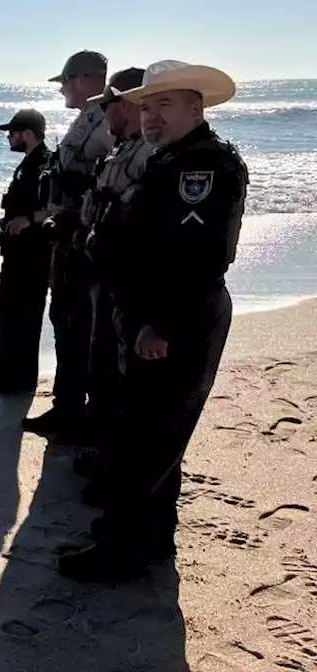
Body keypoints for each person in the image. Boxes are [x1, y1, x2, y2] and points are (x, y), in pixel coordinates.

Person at [59, 60, 248, 582]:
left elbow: (199, 260)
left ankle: (125, 549)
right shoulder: (172, 160)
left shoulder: (202, 167)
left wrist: (159, 325)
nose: (151, 116)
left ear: (196, 107)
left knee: (147, 437)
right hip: (147, 314)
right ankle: (147, 536)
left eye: (165, 104)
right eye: (146, 105)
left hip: (173, 320)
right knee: (146, 431)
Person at [23, 49, 114, 441]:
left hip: (82, 237)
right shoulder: (86, 120)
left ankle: (78, 414)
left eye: (65, 81)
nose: (63, 90)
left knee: (78, 329)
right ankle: (68, 407)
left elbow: (107, 182)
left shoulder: (106, 121)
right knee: (65, 325)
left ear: (83, 78)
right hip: (67, 235)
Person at [74, 67, 155, 495]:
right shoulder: (121, 149)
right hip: (106, 277)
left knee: (125, 379)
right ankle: (105, 453)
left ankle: (119, 470)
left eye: (107, 105)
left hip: (128, 281)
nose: (104, 114)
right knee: (102, 366)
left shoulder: (147, 154)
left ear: (126, 104)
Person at [0, 109, 54, 393]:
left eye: (13, 132)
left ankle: (19, 378)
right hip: (17, 253)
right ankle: (4, 368)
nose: (9, 137)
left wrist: (28, 219)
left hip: (33, 255)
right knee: (8, 311)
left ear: (28, 134)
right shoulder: (28, 163)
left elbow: (56, 206)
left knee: (25, 315)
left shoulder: (45, 163)